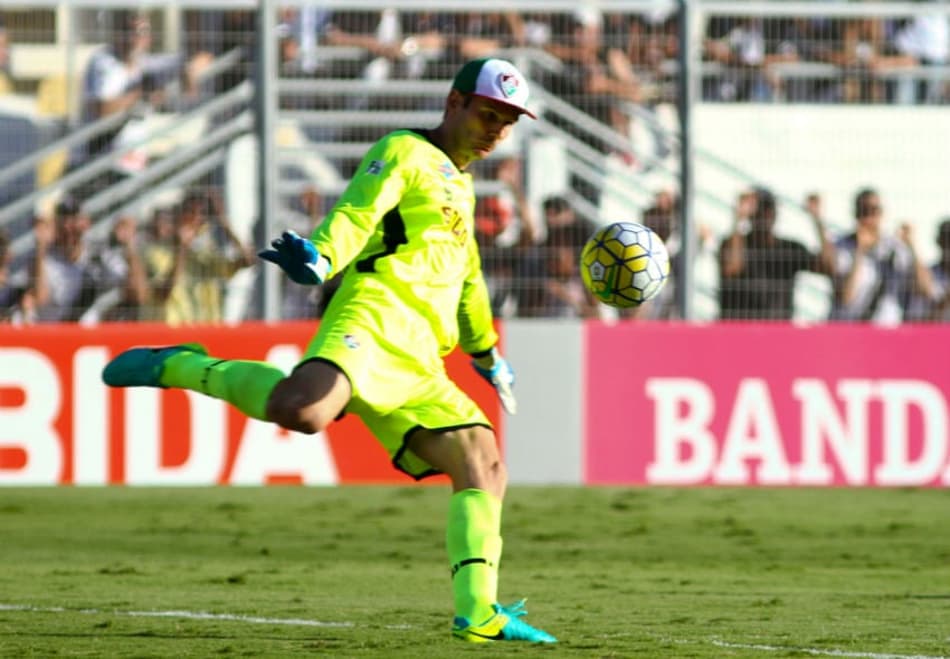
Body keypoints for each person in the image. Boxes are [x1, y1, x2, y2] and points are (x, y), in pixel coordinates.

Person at [101, 58, 555, 644]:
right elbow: (358, 211)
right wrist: (320, 257)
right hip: (374, 318)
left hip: (422, 358)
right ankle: (183, 363)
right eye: (488, 114)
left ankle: (479, 615)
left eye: (507, 122)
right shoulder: (403, 152)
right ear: (454, 103)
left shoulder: (461, 187)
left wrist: (487, 353)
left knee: (485, 463)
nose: (496, 130)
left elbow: (467, 279)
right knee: (303, 412)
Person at [140, 187, 255, 325]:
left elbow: (248, 260)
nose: (195, 218)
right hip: (173, 334)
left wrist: (223, 222)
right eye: (190, 211)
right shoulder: (154, 252)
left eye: (201, 214)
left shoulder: (204, 255)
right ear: (179, 216)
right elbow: (165, 292)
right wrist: (182, 248)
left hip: (207, 332)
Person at [718, 188, 835, 320]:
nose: (764, 215)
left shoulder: (789, 249)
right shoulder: (734, 244)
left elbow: (828, 267)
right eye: (759, 210)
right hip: (739, 331)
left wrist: (818, 219)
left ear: (775, 213)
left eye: (768, 209)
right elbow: (731, 268)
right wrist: (738, 218)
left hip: (777, 333)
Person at [829, 187, 921, 324]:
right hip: (849, 326)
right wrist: (859, 251)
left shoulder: (895, 246)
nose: (870, 217)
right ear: (856, 214)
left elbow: (922, 290)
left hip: (884, 328)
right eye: (864, 211)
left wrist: (912, 246)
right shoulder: (841, 246)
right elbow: (845, 297)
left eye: (875, 210)